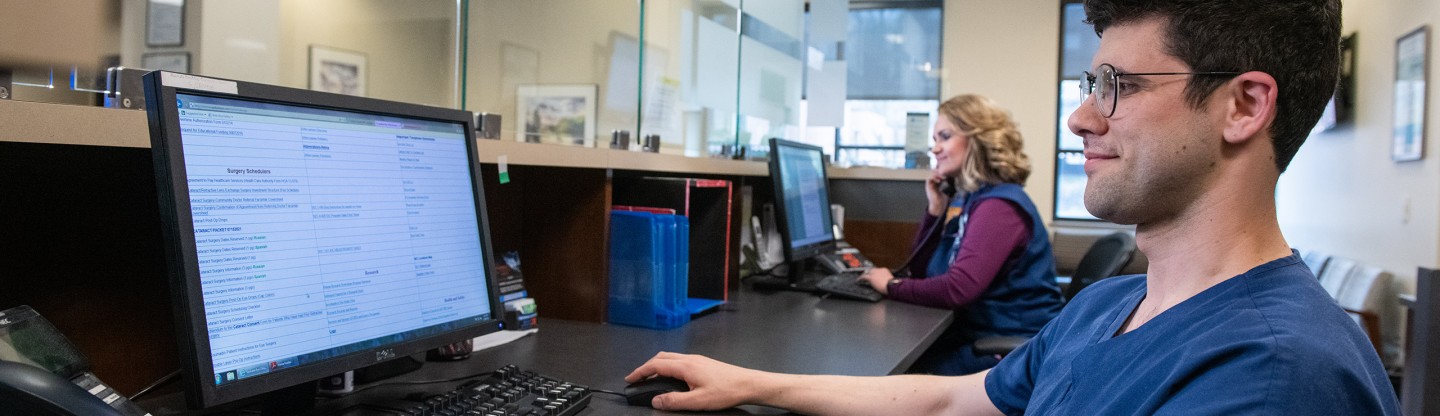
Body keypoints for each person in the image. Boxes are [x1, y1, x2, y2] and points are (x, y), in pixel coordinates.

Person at [625, 0, 1403, 413]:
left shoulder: (1272, 377)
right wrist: (753, 383)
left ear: (1243, 106)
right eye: (1090, 84)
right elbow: (947, 399)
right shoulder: (1110, 305)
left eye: (1118, 87)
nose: (1081, 118)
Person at [856, 94, 1063, 376]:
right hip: (981, 336)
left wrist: (890, 285)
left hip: (1011, 352)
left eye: (945, 136)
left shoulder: (999, 206)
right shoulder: (972, 200)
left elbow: (957, 289)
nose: (935, 148)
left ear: (978, 140)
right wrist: (935, 208)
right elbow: (923, 271)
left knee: (895, 376)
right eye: (934, 139)